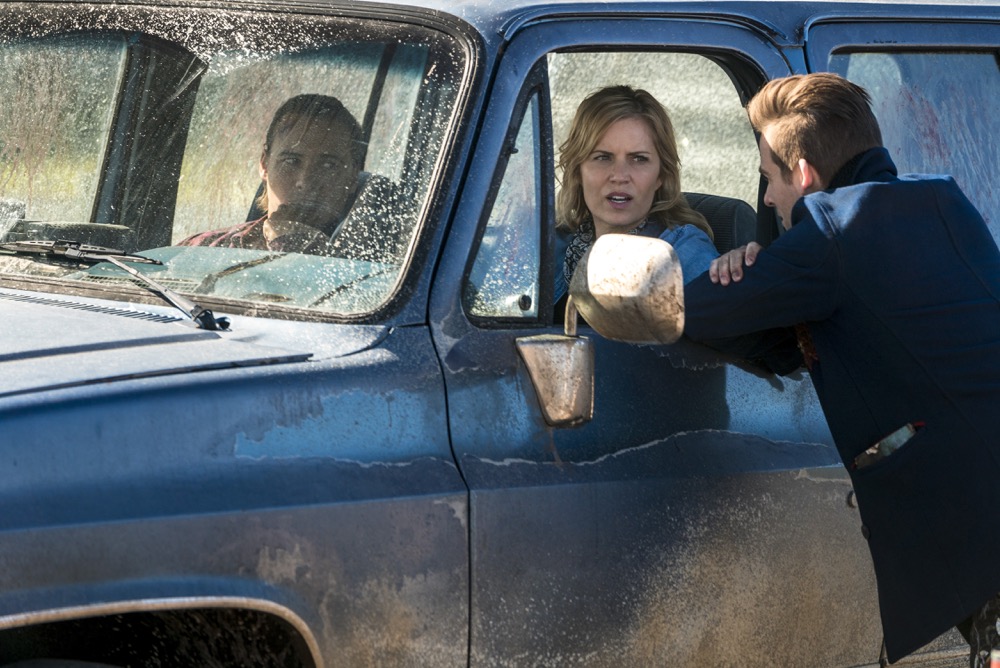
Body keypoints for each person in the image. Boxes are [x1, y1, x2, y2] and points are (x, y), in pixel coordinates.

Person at [682, 72, 1000, 667]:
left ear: (802, 175)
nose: (769, 201)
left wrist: (742, 265)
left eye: (769, 181)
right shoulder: (945, 201)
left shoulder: (830, 233)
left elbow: (691, 310)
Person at [180, 94, 400, 261]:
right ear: (265, 164)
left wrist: (291, 241)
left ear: (352, 177)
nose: (304, 181)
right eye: (291, 161)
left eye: (327, 165)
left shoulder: (367, 263)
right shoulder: (205, 248)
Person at [557, 85, 719, 294]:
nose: (619, 176)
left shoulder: (682, 254)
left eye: (639, 159)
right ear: (578, 170)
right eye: (602, 157)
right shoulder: (554, 246)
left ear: (661, 175)